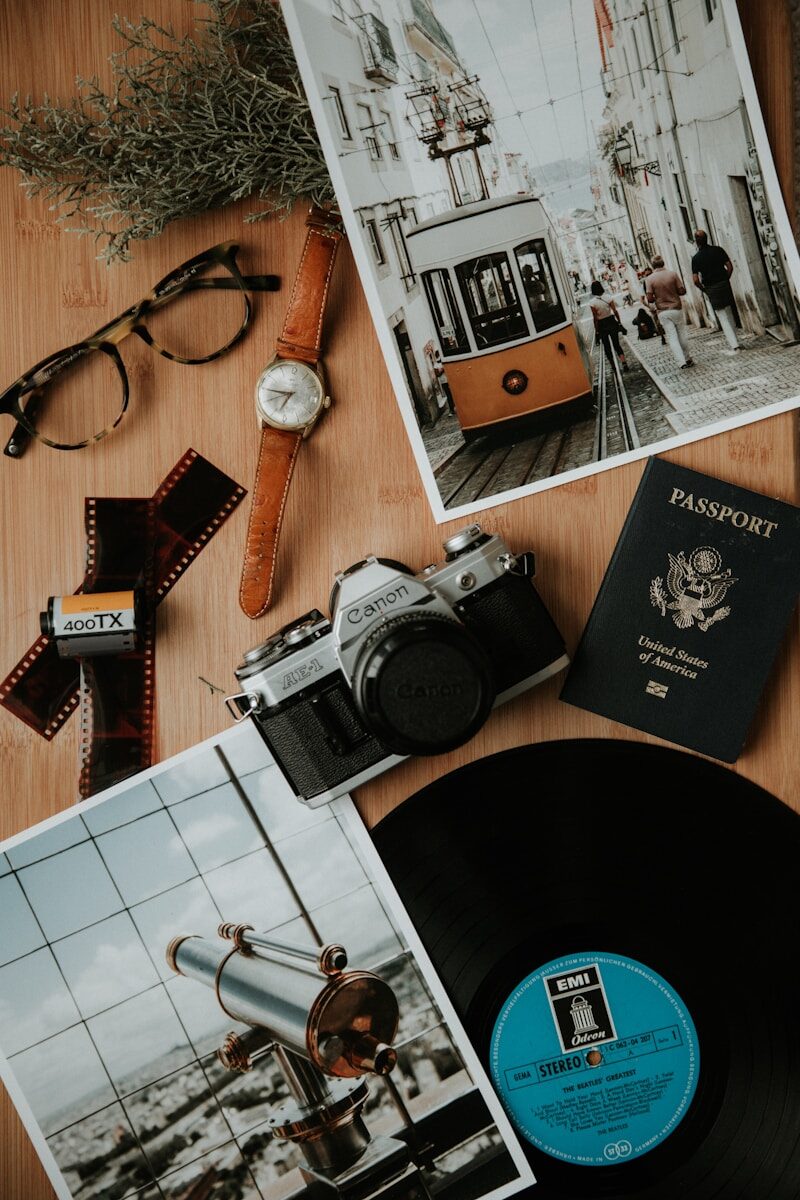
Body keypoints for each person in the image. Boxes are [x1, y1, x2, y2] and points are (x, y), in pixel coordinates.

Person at [691, 230, 740, 352]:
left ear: (697, 242)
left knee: (722, 316)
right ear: (707, 238)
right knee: (729, 312)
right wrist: (725, 279)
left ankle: (734, 344)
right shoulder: (718, 250)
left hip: (711, 288)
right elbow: (730, 266)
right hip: (724, 284)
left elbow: (695, 280)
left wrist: (704, 289)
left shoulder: (696, 258)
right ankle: (736, 340)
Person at [646, 254, 694, 369]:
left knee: (672, 337)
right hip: (676, 308)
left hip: (663, 311)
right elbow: (682, 291)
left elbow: (649, 299)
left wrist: (658, 295)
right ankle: (687, 358)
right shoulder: (672, 274)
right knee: (681, 334)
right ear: (663, 263)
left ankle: (681, 362)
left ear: (653, 266)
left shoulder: (649, 279)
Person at [589, 280, 629, 371]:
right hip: (611, 321)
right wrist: (619, 322)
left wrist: (597, 330)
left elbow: (595, 318)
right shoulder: (608, 297)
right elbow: (615, 311)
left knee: (607, 347)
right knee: (616, 344)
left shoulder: (592, 303)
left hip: (602, 325)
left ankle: (613, 366)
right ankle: (624, 362)